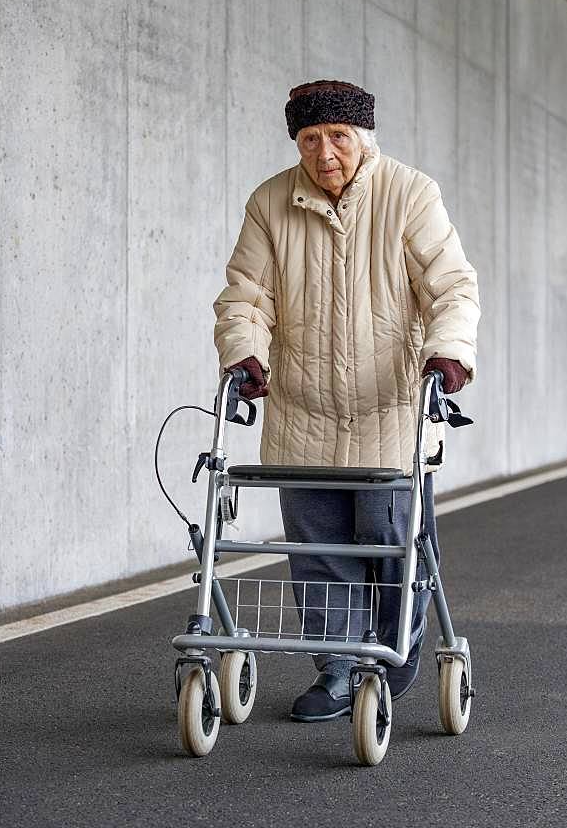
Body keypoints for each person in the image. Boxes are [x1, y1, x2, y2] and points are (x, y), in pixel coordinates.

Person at [213, 79, 480, 721]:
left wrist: (448, 351)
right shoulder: (270, 203)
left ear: (363, 137)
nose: (324, 152)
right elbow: (245, 295)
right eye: (310, 139)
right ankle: (337, 672)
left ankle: (387, 660)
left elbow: (451, 287)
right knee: (318, 554)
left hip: (390, 419)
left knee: (391, 549)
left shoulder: (410, 194)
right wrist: (244, 353)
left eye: (337, 136)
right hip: (302, 416)